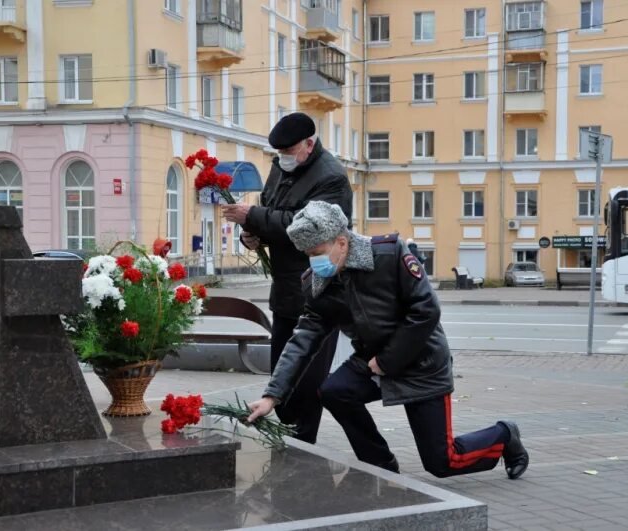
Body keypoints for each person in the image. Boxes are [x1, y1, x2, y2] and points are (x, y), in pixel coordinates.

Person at [247, 201, 529, 480]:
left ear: (342, 243)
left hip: (421, 362)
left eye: (317, 252)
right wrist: (272, 396)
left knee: (443, 462)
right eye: (308, 254)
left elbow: (426, 310)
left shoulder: (388, 254)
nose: (313, 260)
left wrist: (386, 361)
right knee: (336, 391)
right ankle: (381, 466)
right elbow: (303, 340)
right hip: (372, 359)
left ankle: (505, 435)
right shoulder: (319, 283)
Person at [222, 113, 353, 444]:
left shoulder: (332, 177)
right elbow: (270, 210)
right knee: (281, 375)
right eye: (278, 153)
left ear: (309, 144)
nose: (282, 158)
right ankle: (290, 439)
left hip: (319, 292)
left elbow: (309, 227)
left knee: (307, 384)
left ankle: (301, 448)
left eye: (289, 151)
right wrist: (252, 235)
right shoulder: (283, 166)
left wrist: (253, 216)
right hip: (285, 293)